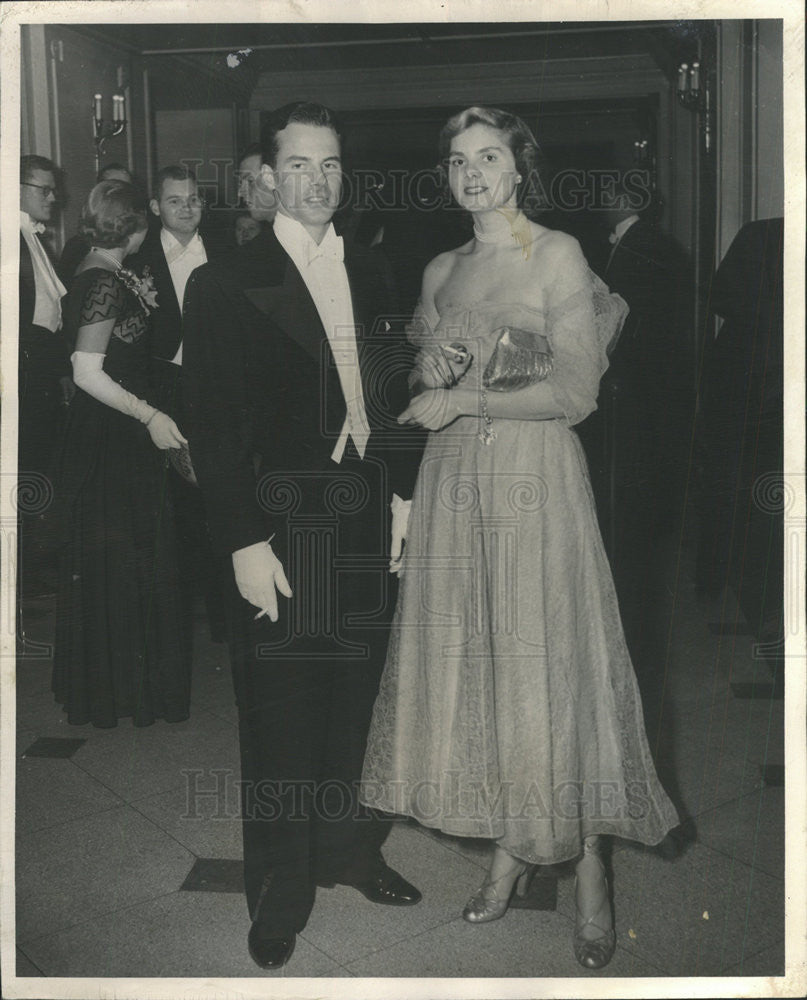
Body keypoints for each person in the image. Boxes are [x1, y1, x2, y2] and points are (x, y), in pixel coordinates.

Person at [360, 106, 680, 970]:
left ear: (517, 166)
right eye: (458, 160)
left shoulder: (558, 255)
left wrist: (462, 398)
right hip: (455, 487)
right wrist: (430, 370)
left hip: (536, 482)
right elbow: (423, 366)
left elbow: (573, 393)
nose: (472, 173)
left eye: (488, 156)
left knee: (547, 674)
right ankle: (509, 847)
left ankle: (589, 873)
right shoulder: (438, 268)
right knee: (485, 674)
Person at [182, 102, 424, 971]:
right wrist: (242, 543)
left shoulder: (377, 268)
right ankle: (280, 893)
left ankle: (351, 851)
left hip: (363, 509)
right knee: (281, 714)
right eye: (298, 166)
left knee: (357, 698)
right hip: (281, 524)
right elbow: (211, 427)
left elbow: (390, 395)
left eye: (329, 166)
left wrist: (400, 499)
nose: (316, 181)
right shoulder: (223, 281)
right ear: (266, 178)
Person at [51, 180, 191, 728]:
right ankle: (126, 695)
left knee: (122, 564)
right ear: (136, 226)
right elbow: (87, 372)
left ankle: (118, 692)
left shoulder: (99, 269)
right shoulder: (104, 281)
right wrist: (150, 415)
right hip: (113, 438)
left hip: (113, 435)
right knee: (127, 561)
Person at [130, 164, 223, 645]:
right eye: (174, 201)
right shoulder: (138, 257)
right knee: (172, 503)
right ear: (154, 207)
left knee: (219, 495)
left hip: (219, 387)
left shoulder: (226, 249)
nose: (186, 209)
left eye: (193, 199)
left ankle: (226, 612)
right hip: (164, 389)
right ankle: (175, 618)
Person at [18, 154, 73, 602]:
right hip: (21, 375)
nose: (53, 197)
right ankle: (19, 577)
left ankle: (30, 570)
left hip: (40, 371)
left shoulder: (36, 239)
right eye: (44, 189)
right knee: (21, 473)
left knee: (35, 471)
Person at [58, 163, 134, 285]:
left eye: (127, 190)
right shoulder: (76, 247)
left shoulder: (139, 240)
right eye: (116, 190)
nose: (122, 198)